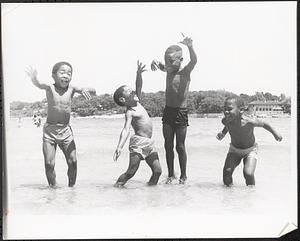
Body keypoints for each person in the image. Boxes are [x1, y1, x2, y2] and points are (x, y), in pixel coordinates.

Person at [25, 62, 96, 187]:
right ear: (53, 75)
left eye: (69, 73)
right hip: (50, 131)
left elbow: (92, 91)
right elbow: (38, 84)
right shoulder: (49, 87)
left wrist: (87, 89)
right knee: (49, 164)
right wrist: (33, 77)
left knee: (73, 161)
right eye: (62, 72)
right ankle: (53, 188)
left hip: (66, 131)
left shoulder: (72, 88)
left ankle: (71, 189)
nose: (66, 75)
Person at [151, 34, 197, 184]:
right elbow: (160, 66)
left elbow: (194, 60)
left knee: (180, 146)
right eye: (166, 61)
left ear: (180, 60)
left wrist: (190, 46)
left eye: (171, 61)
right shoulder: (169, 70)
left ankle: (183, 175)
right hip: (168, 111)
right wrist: (155, 63)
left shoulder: (185, 72)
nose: (168, 64)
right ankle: (171, 174)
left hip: (181, 112)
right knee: (168, 145)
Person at [113, 61, 162, 187]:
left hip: (149, 143)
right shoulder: (130, 112)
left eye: (133, 91)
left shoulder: (138, 102)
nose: (134, 92)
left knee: (157, 171)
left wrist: (139, 74)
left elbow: (138, 85)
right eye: (130, 92)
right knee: (131, 172)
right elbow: (126, 130)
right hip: (138, 143)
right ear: (123, 100)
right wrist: (119, 146)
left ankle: (151, 191)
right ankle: (117, 186)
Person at [216, 97, 283, 186]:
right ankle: (230, 195)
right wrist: (223, 133)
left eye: (229, 109)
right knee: (227, 172)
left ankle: (250, 194)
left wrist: (275, 134)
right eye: (224, 109)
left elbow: (264, 124)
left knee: (248, 174)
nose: (226, 112)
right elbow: (228, 125)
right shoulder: (225, 120)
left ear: (241, 110)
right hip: (234, 150)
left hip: (250, 150)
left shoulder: (249, 121)